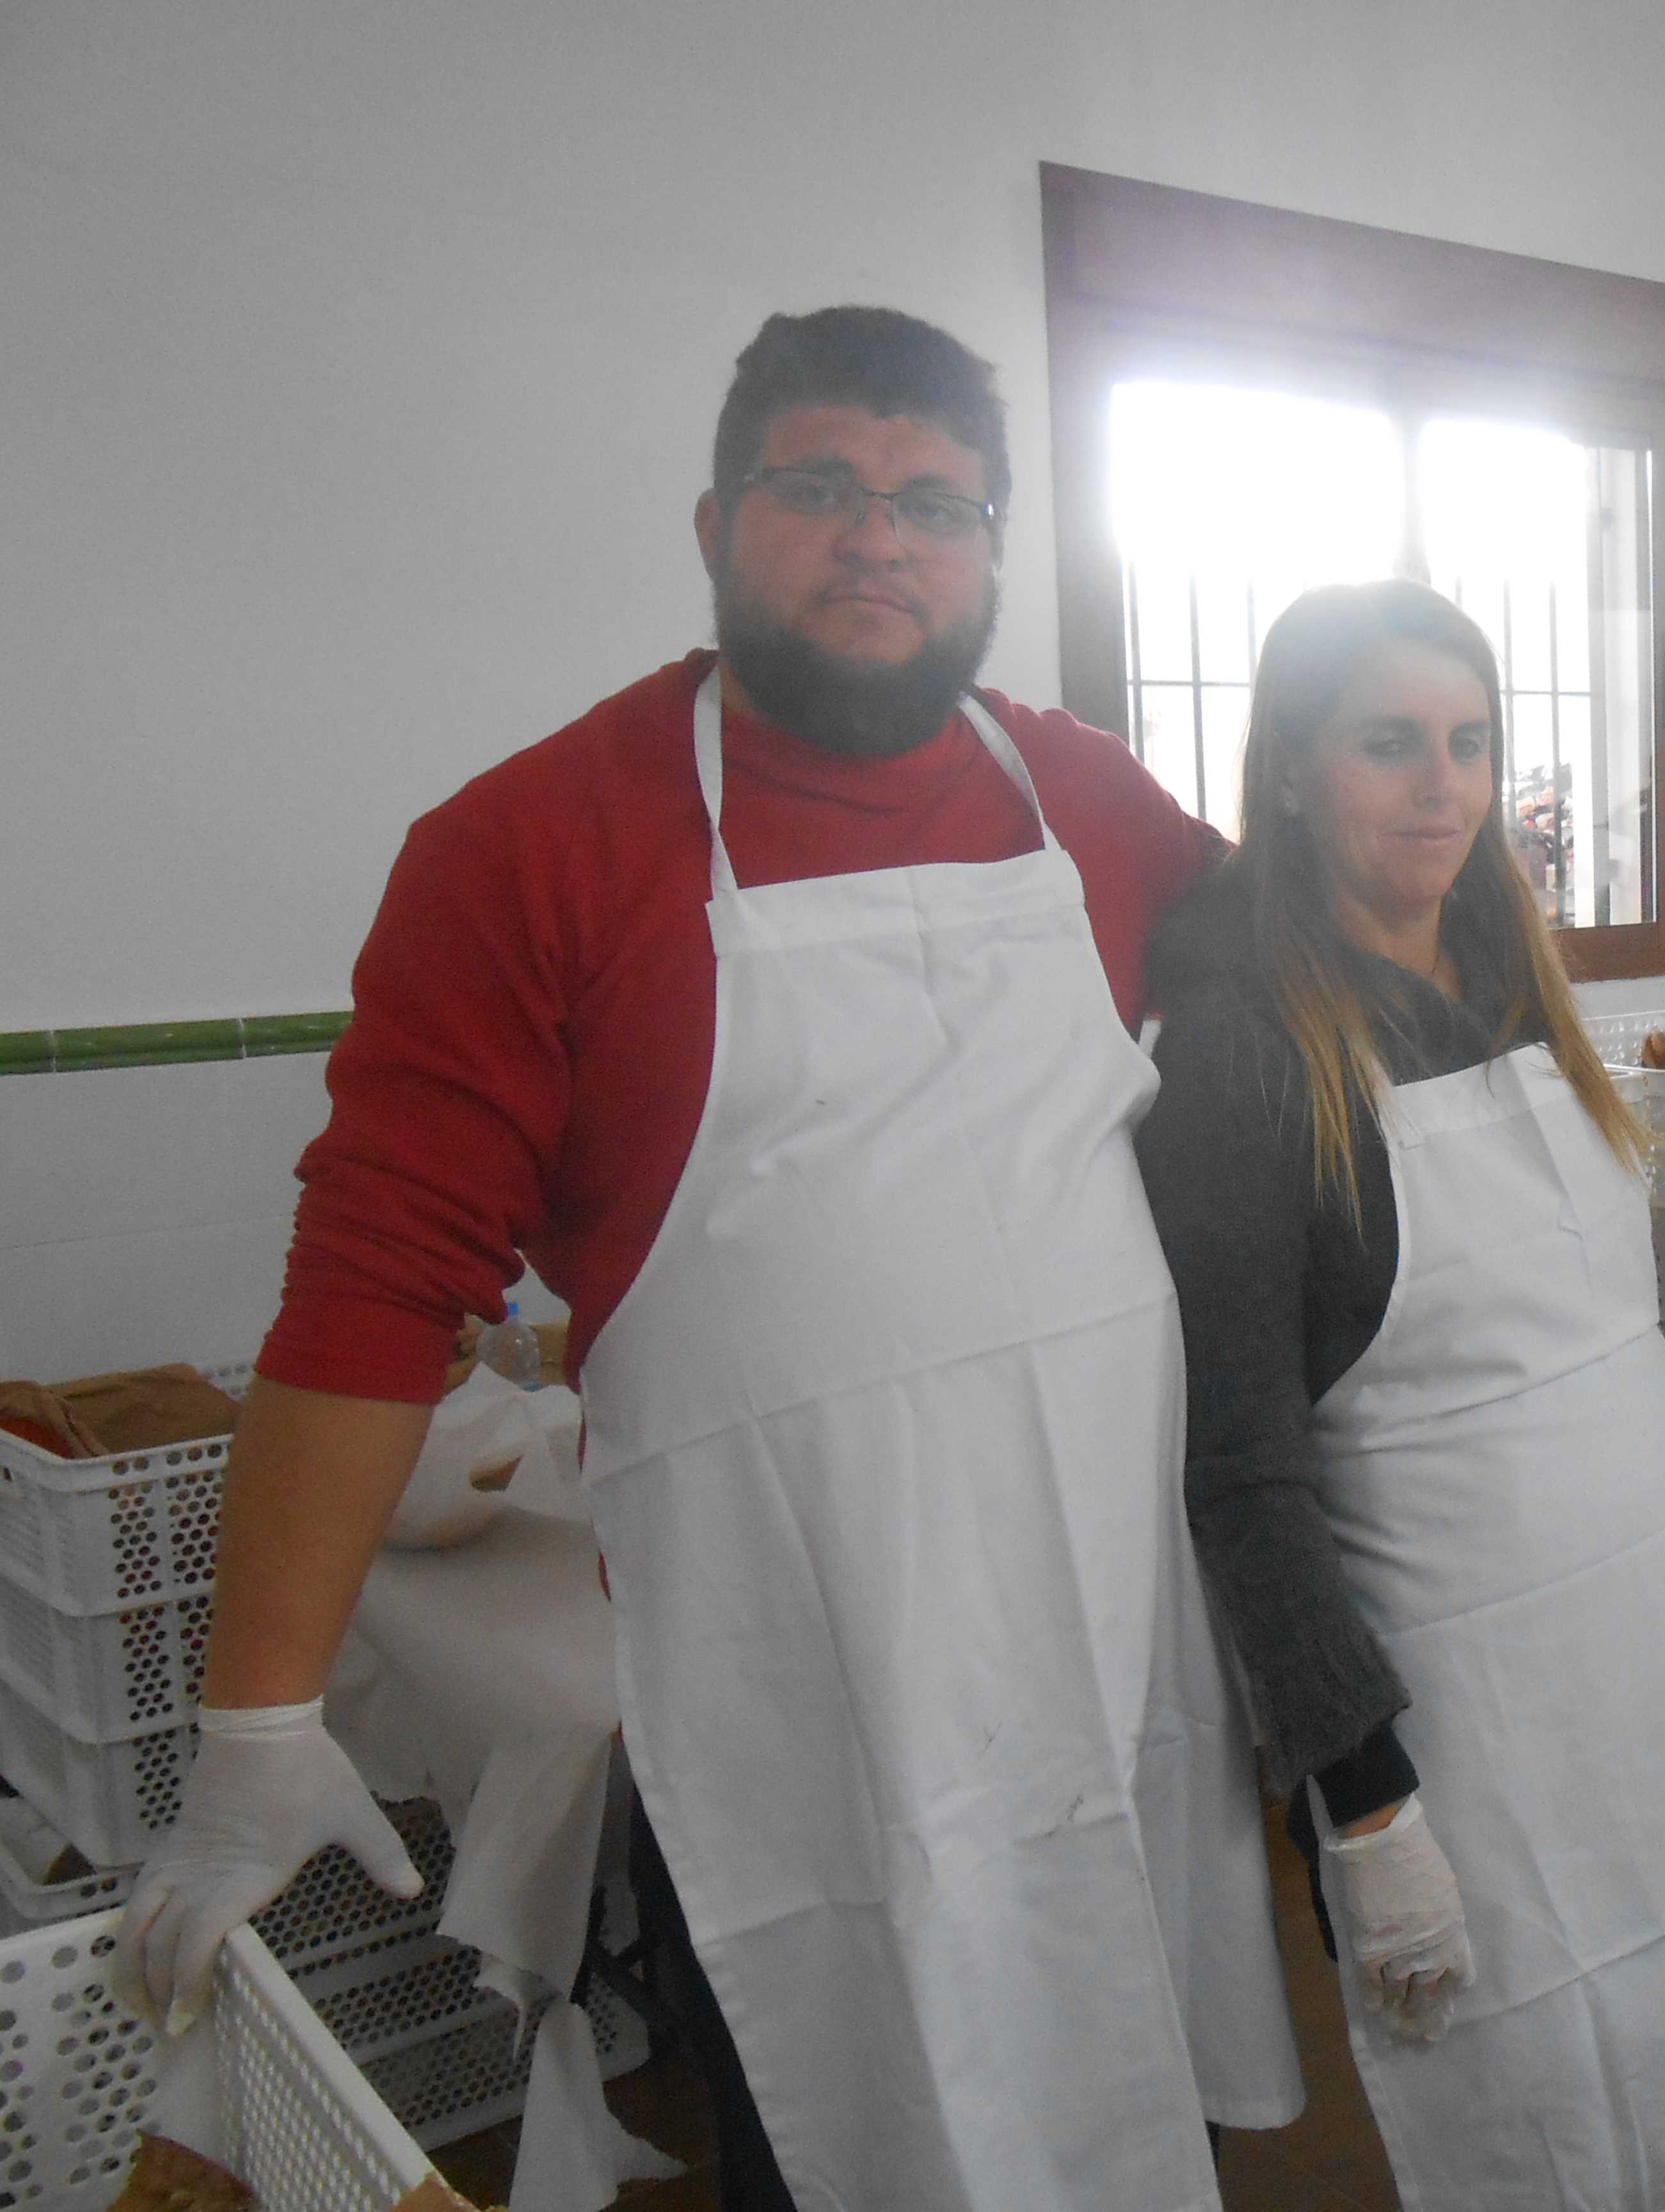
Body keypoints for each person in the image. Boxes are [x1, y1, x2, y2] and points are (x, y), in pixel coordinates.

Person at [117, 307, 1301, 2211]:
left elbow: (1306, 1036)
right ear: (713, 520)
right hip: (791, 1676)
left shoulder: (1090, 804)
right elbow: (365, 1299)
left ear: (994, 548)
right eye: (818, 487)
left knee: (1097, 2054)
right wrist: (255, 1725)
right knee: (850, 2120)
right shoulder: (529, 848)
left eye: (935, 502)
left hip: (1097, 1642)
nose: (877, 539)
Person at [1134, 580, 1665, 2211]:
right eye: (1389, 744)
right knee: (1547, 2095)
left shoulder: (1518, 988)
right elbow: (1240, 1469)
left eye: (1468, 743)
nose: (1440, 786)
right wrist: (1364, 1798)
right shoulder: (1244, 1058)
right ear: (1297, 769)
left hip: (1664, 1637)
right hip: (1477, 1698)